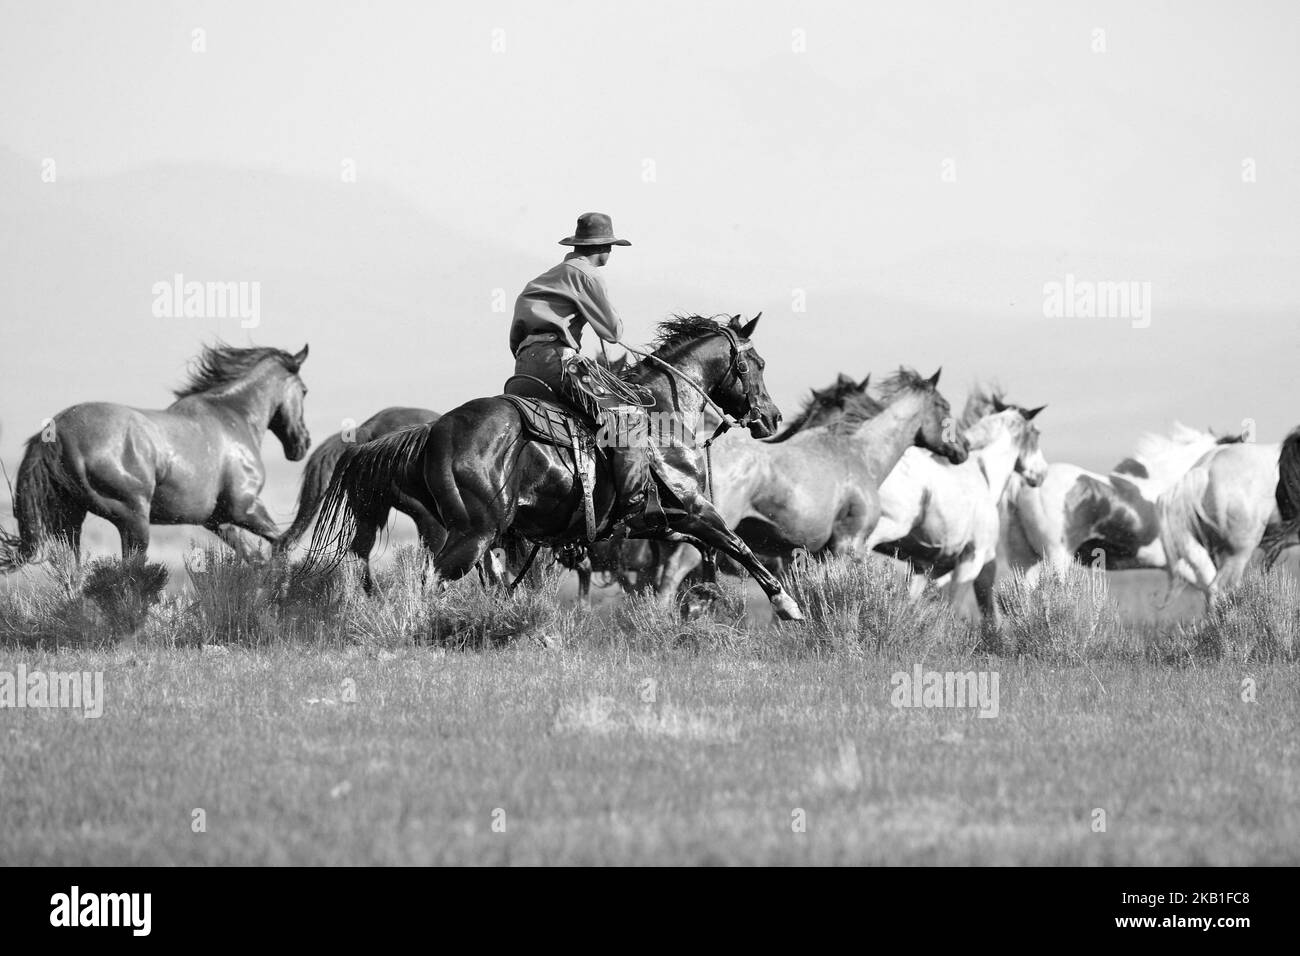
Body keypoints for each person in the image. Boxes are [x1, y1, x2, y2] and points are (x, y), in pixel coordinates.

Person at [506, 213, 666, 532]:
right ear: (605, 246)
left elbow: (515, 336)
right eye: (611, 246)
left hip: (524, 364)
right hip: (558, 361)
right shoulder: (587, 275)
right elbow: (612, 332)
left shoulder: (542, 279)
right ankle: (633, 504)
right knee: (630, 414)